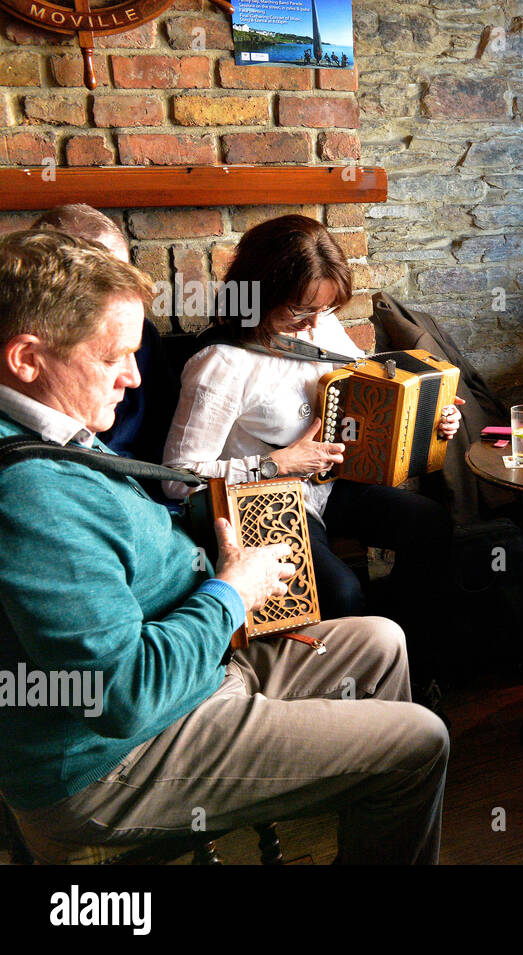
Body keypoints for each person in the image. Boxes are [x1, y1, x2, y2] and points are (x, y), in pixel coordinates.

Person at [0, 229, 448, 864]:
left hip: (194, 670)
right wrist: (232, 593)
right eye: (112, 358)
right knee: (420, 741)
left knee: (381, 640)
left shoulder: (51, 428)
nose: (133, 378)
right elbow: (121, 695)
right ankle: (374, 776)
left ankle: (362, 799)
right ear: (27, 359)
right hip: (114, 759)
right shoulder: (31, 495)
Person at [163, 215, 462, 678]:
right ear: (259, 294)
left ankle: (407, 658)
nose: (311, 327)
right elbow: (174, 480)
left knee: (431, 524)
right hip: (263, 499)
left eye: (321, 311)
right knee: (339, 590)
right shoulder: (219, 364)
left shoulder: (321, 325)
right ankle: (351, 690)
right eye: (298, 314)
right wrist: (274, 463)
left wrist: (432, 420)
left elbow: (369, 394)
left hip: (330, 483)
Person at [30, 203, 179, 466]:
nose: (133, 378)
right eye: (96, 275)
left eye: (121, 273)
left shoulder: (143, 333)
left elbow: (168, 430)